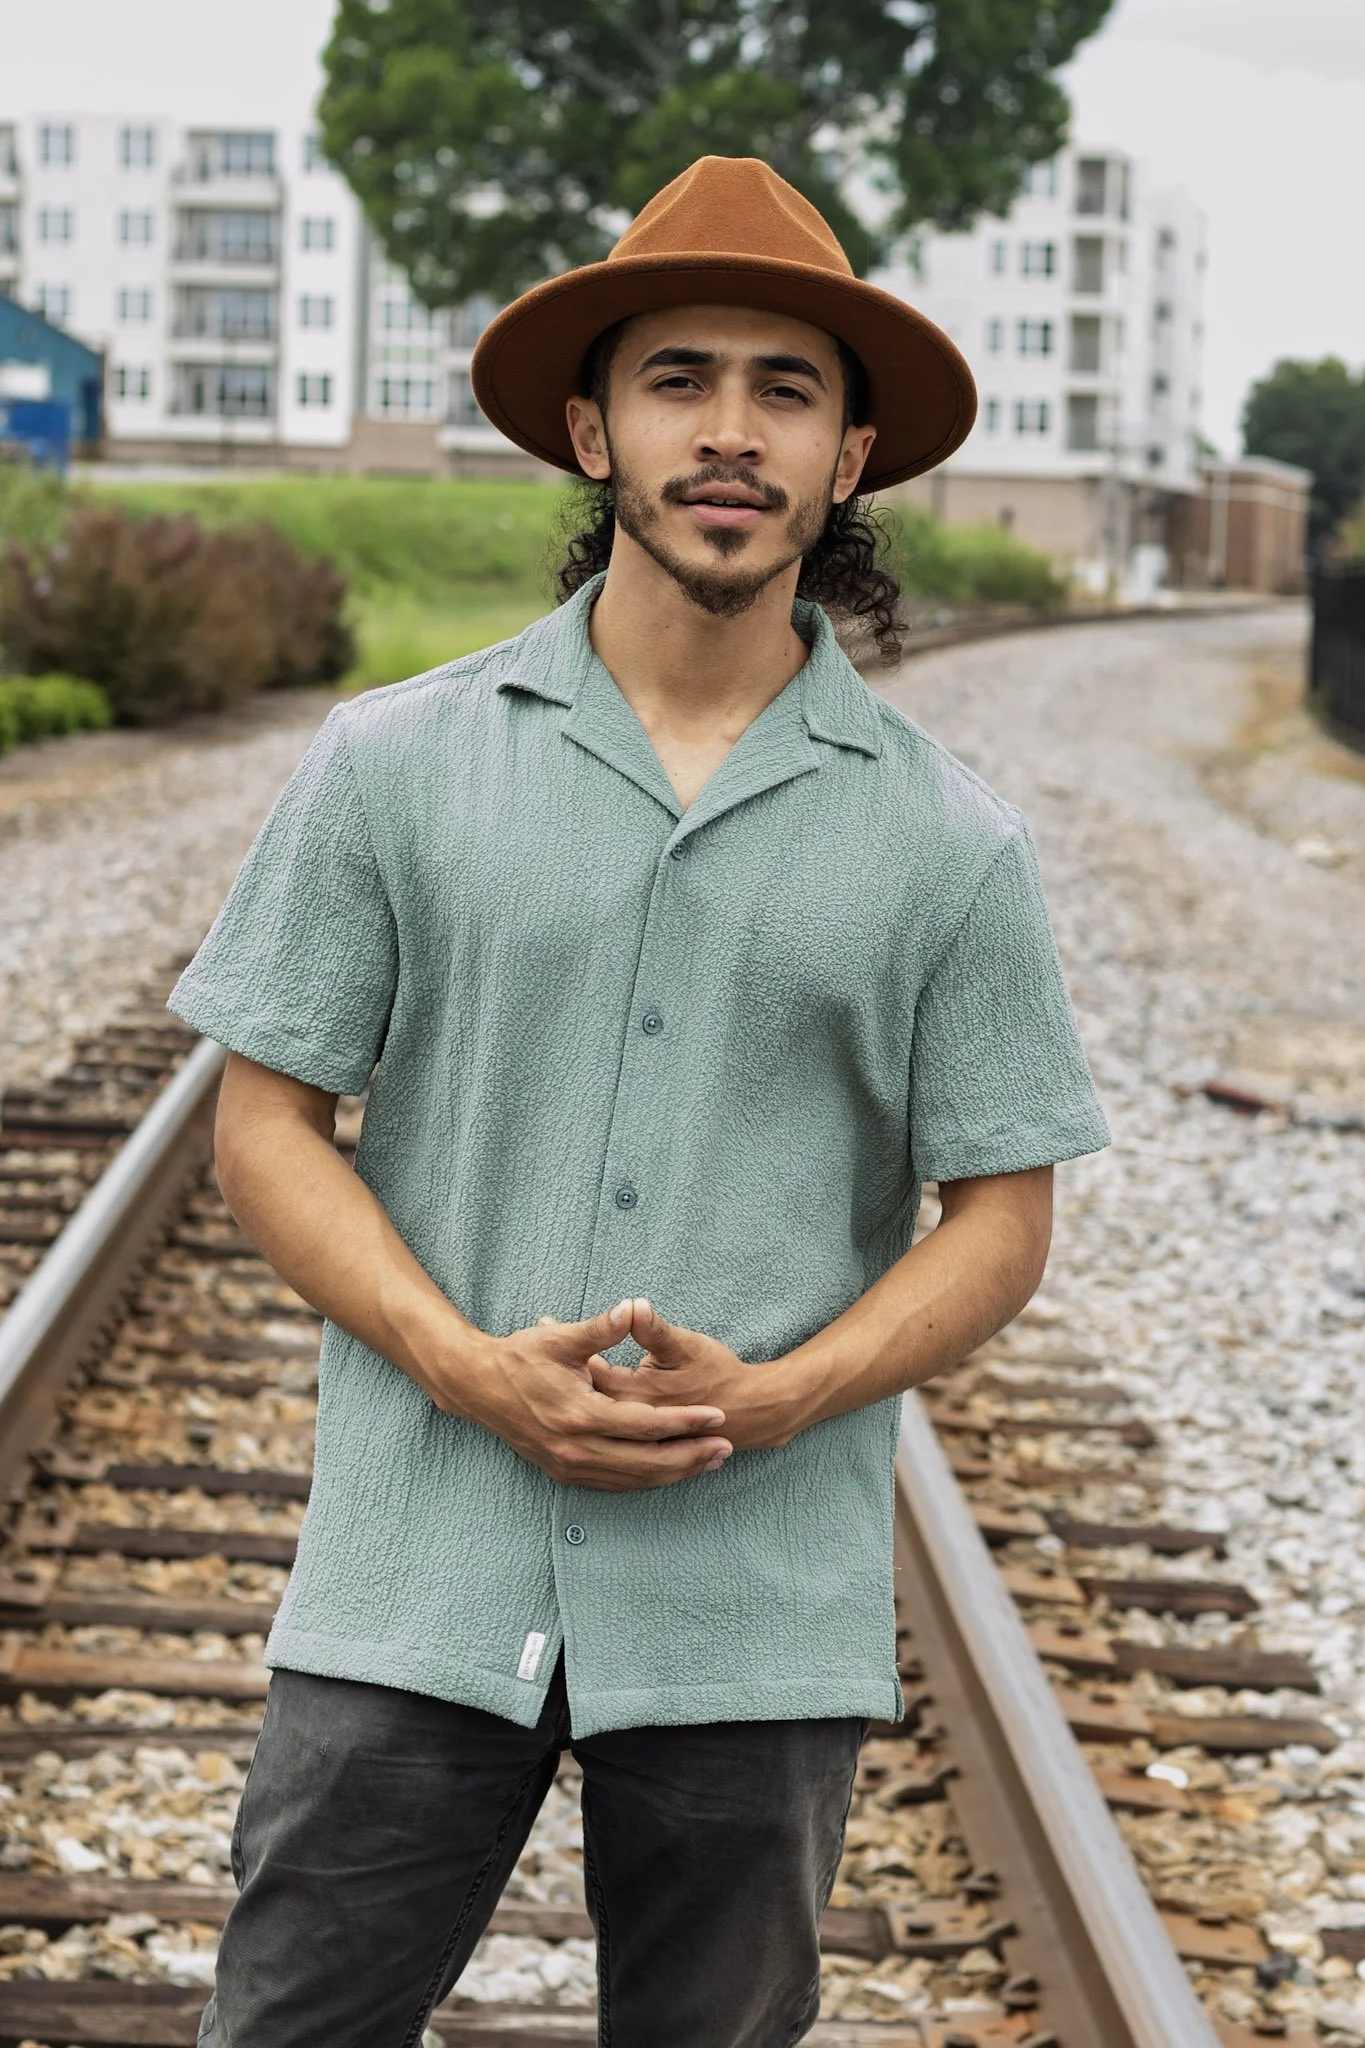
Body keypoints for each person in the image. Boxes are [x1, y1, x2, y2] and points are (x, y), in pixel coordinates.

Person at [170, 155, 1109, 2048]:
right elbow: (262, 1123)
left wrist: (783, 1394)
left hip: (753, 1607)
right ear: (593, 430)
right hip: (413, 1577)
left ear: (851, 456)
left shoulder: (951, 846)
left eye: (788, 387)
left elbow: (1004, 1216)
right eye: (680, 379)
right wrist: (457, 1361)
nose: (731, 432)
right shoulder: (395, 768)